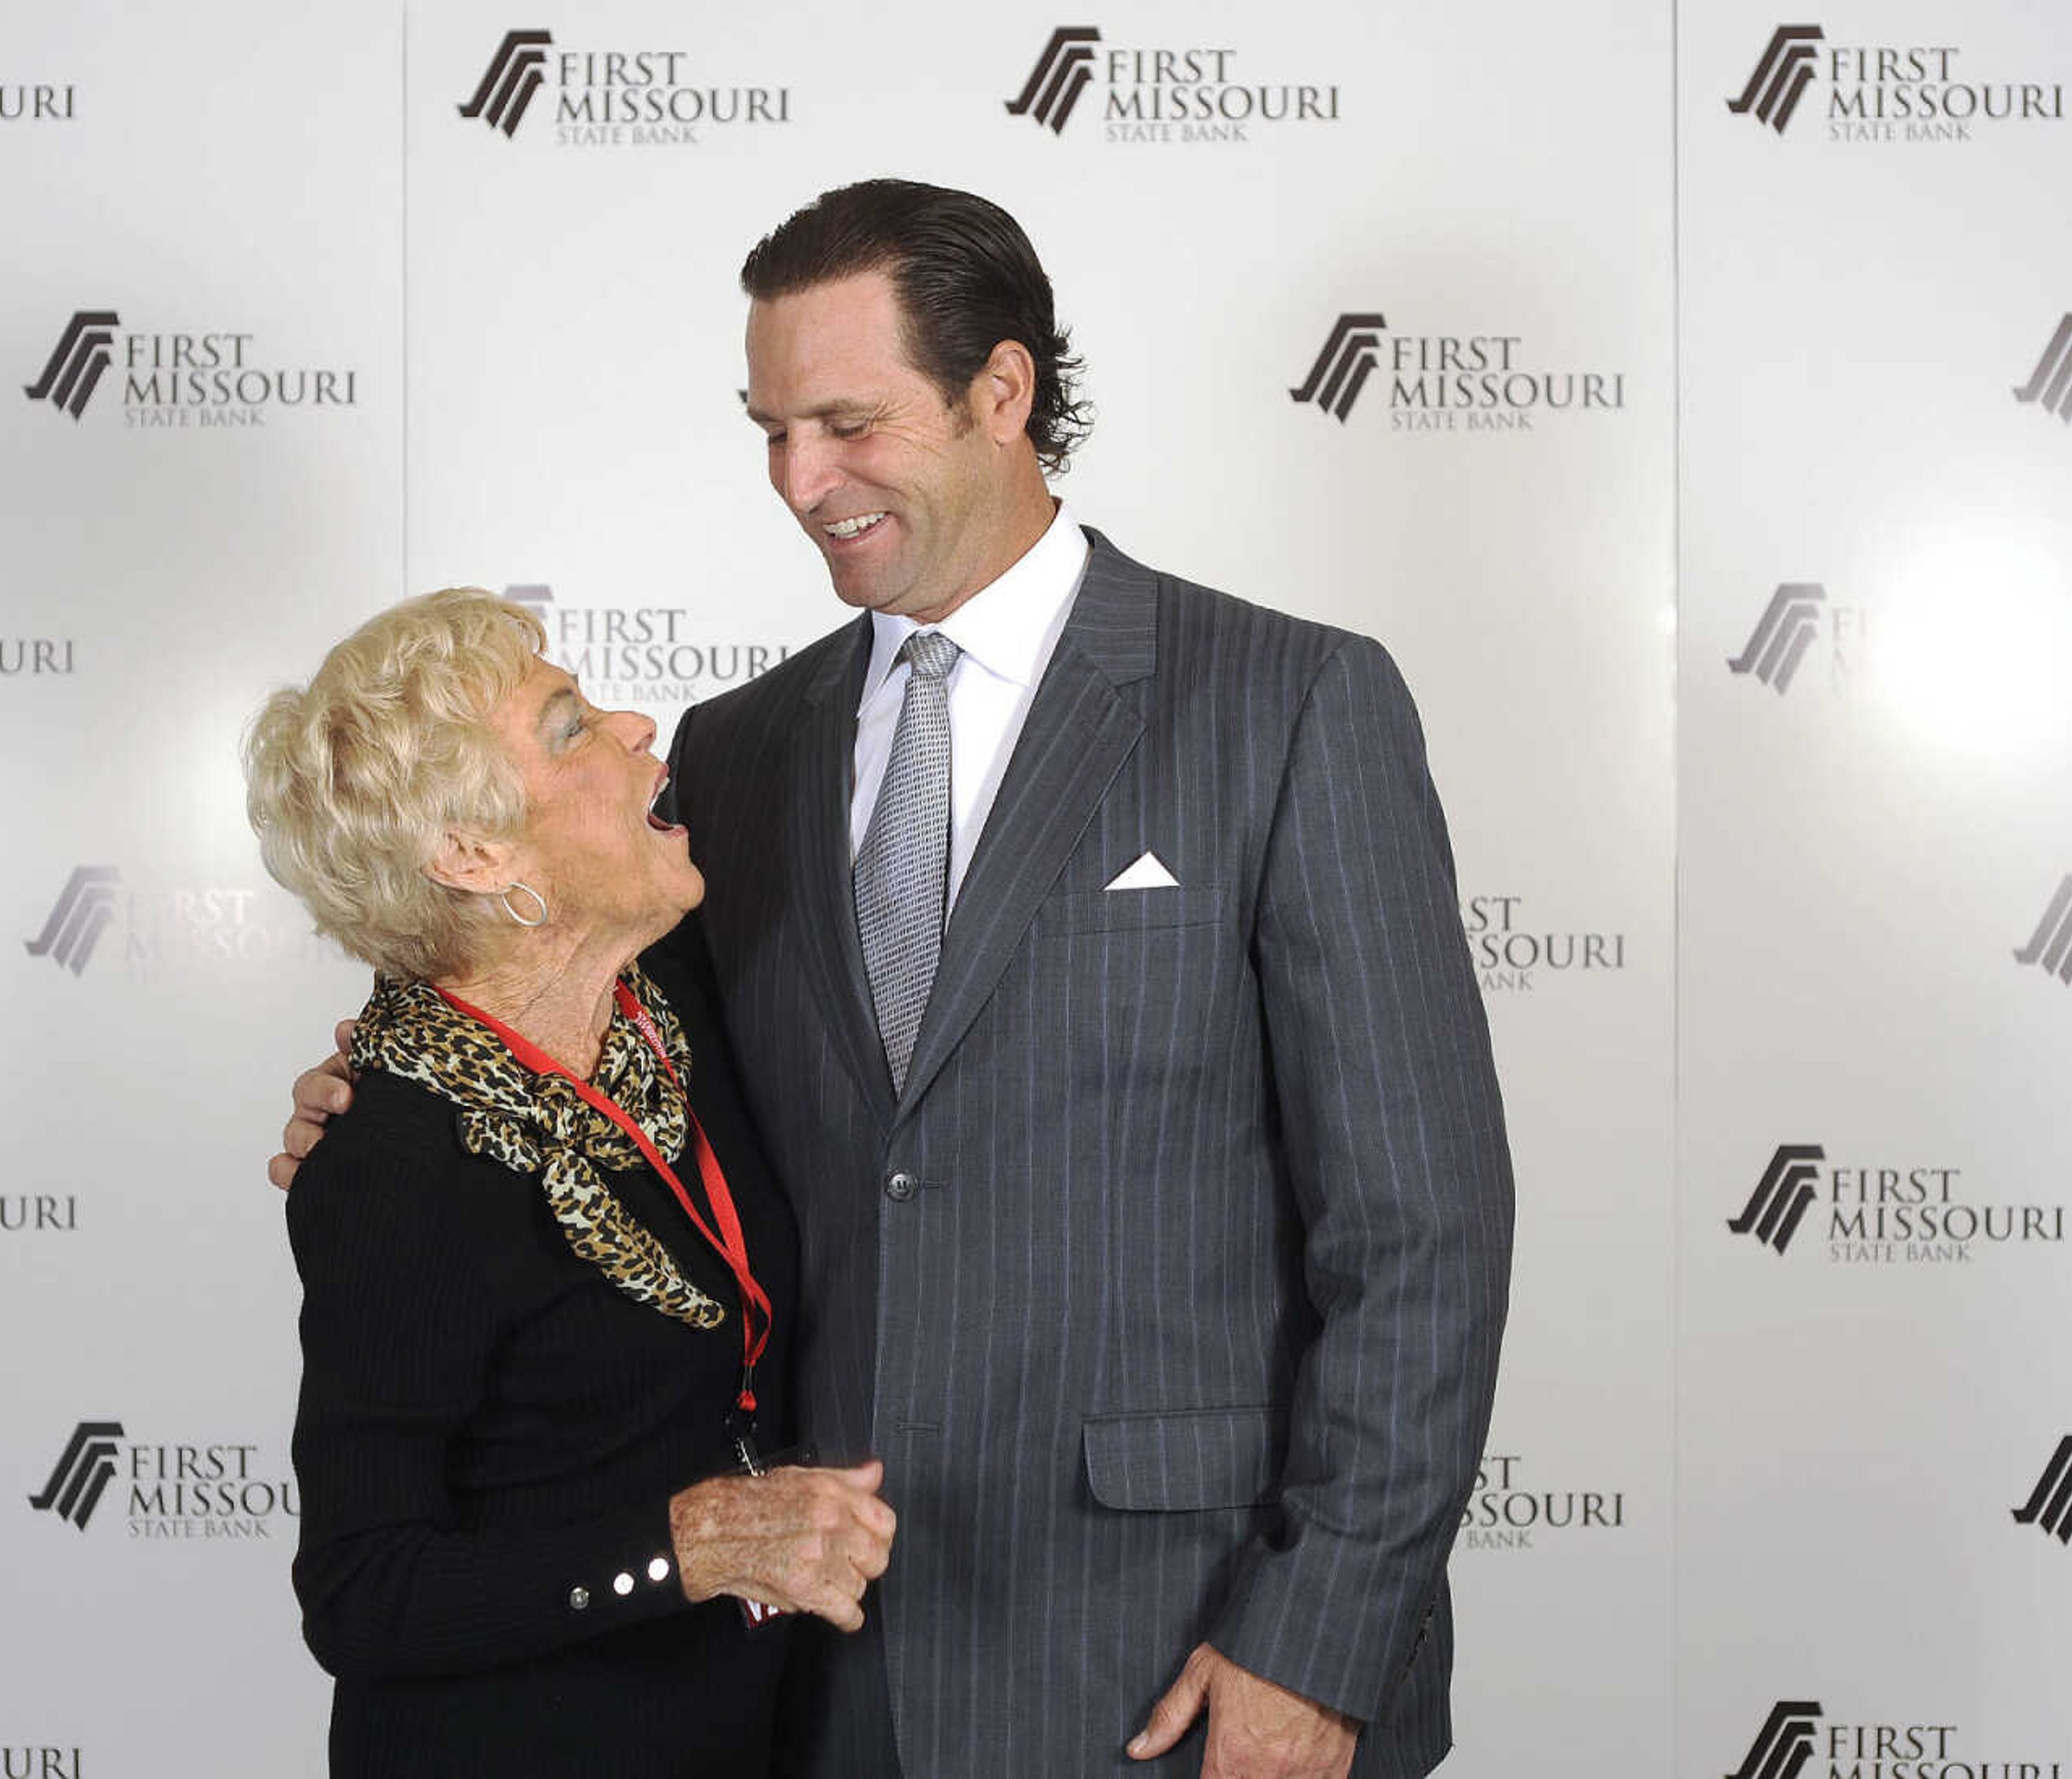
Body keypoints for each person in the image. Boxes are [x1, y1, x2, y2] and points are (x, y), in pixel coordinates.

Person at [278, 181, 1514, 1779]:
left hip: (1189, 1661)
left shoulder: (1287, 706)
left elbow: (1424, 1231)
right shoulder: (739, 755)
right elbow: (618, 1081)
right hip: (822, 1682)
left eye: (849, 422)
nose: (803, 481)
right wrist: (396, 1090)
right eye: (772, 428)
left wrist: (1322, 1638)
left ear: (1002, 392)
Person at [244, 587, 895, 1778]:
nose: (638, 726)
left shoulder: (675, 1002)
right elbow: (362, 1592)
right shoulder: (392, 1163)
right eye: (569, 726)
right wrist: (686, 1545)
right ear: (475, 854)